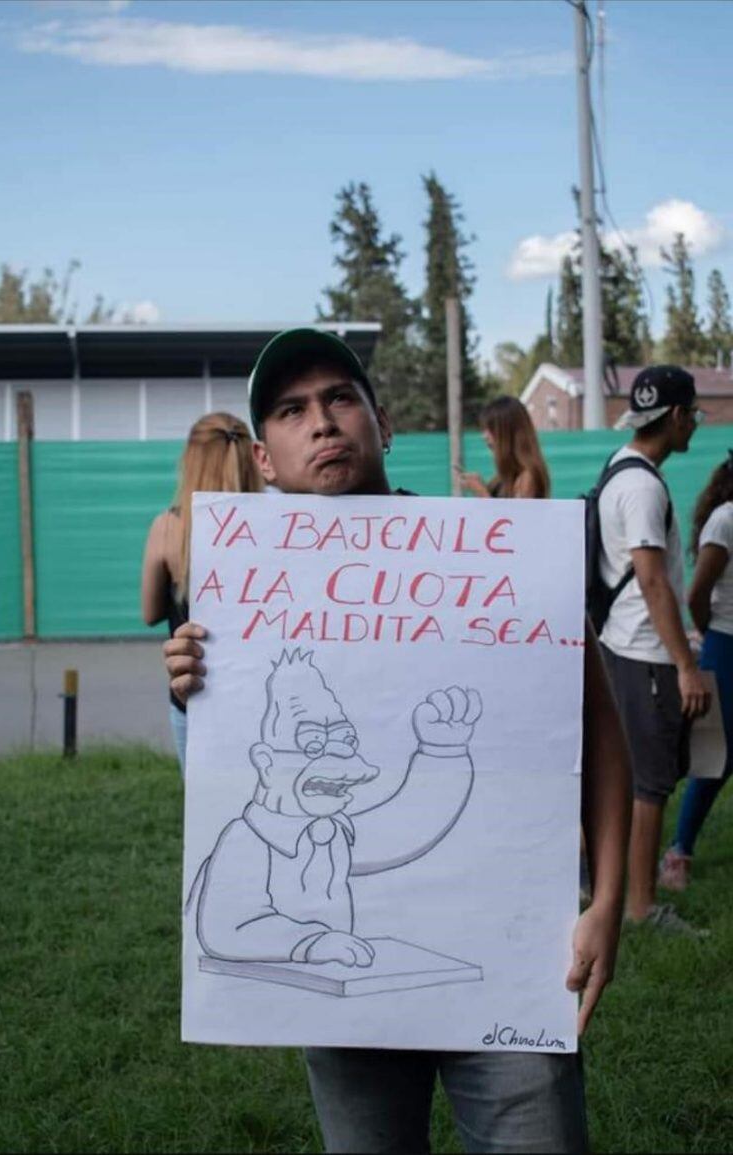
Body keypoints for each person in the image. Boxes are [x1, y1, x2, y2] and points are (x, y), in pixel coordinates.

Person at [164, 328, 631, 1154]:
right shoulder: (238, 606)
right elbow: (227, 903)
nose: (322, 422)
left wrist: (607, 900)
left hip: (509, 964)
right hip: (345, 1009)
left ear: (382, 422)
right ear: (263, 457)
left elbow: (595, 721)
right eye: (291, 409)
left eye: (340, 398)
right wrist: (200, 689)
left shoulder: (500, 557)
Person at [596, 365, 711, 935]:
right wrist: (687, 664)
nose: (696, 424)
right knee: (651, 783)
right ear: (674, 417)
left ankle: (615, 888)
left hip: (623, 644)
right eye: (694, 414)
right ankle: (640, 908)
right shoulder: (643, 486)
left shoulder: (620, 466)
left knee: (636, 776)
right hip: (645, 654)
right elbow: (651, 580)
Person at [140, 411, 263, 774]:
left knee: (207, 815)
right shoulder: (278, 525)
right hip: (262, 697)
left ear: (190, 460)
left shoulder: (167, 527)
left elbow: (149, 613)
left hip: (196, 696)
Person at [659, 451, 733, 891]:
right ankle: (678, 852)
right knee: (714, 757)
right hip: (724, 643)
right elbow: (697, 593)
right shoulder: (725, 520)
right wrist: (710, 634)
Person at [457, 394, 551, 499]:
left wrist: (481, 492)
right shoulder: (505, 476)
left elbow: (513, 515)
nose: (484, 436)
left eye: (491, 429)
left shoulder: (527, 477)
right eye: (484, 429)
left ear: (508, 433)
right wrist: (481, 486)